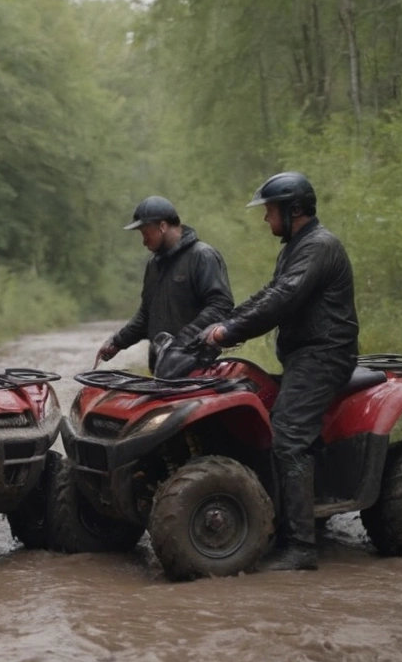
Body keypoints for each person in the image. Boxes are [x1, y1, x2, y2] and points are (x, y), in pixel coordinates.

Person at [200, 172, 359, 572]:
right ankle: (287, 521)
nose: (265, 218)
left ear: (294, 210)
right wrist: (226, 324)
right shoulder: (296, 247)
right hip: (304, 355)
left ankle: (302, 547)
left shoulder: (320, 246)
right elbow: (270, 293)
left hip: (325, 355)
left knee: (287, 436)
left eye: (270, 210)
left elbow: (283, 299)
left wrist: (230, 330)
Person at [97, 195, 233, 376]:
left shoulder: (202, 256)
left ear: (162, 226)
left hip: (198, 367)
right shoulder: (154, 265)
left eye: (145, 233)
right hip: (161, 366)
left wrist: (183, 341)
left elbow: (220, 306)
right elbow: (146, 315)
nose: (144, 241)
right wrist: (117, 342)